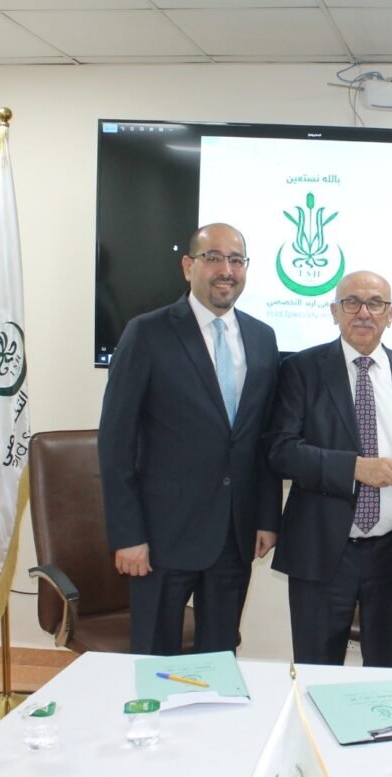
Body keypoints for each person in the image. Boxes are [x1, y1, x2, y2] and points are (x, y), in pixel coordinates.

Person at [98, 222, 281, 655]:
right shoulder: (146, 333)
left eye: (236, 260)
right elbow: (116, 442)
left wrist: (266, 517)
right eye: (213, 258)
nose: (226, 270)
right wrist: (128, 535)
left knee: (219, 660)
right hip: (161, 538)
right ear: (188, 266)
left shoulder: (262, 338)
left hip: (234, 535)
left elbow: (263, 438)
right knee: (155, 661)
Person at [266, 270, 392, 667]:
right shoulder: (301, 369)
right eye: (352, 302)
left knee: (388, 673)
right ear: (334, 311)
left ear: (390, 314)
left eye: (375, 303)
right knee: (316, 669)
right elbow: (280, 450)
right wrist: (354, 468)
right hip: (322, 547)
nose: (363, 312)